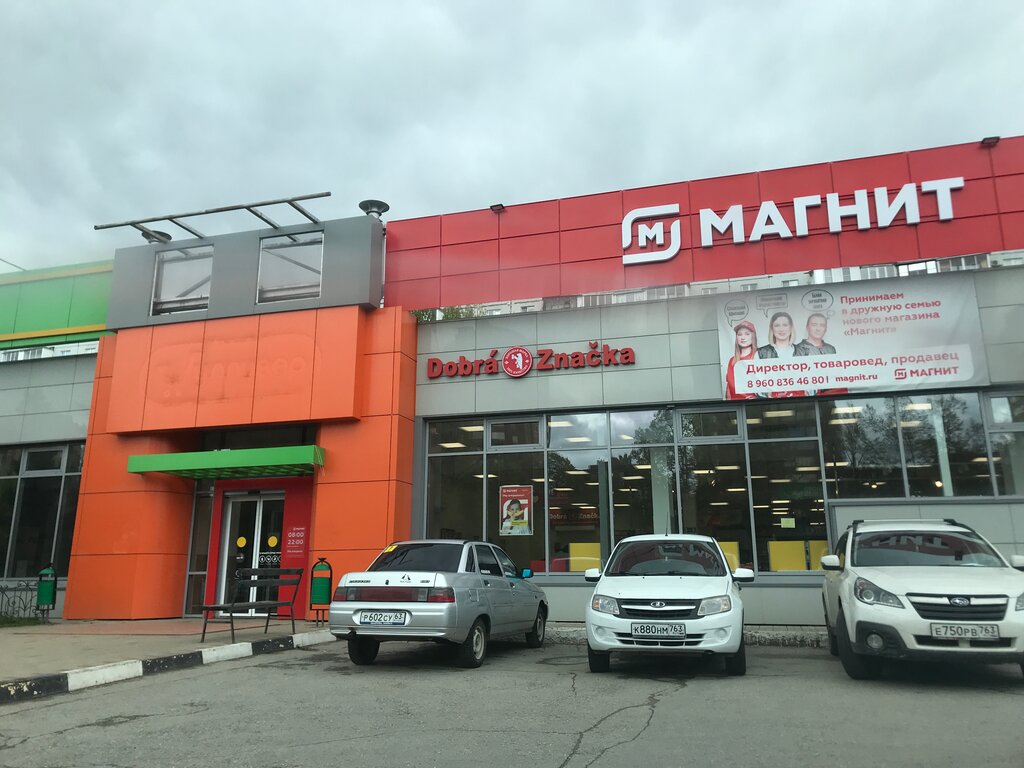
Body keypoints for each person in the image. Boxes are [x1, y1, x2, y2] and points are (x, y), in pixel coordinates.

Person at [725, 320, 758, 400]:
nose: (743, 337)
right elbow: (729, 387)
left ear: (753, 336)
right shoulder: (732, 361)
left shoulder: (758, 357)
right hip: (737, 404)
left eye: (747, 334)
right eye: (739, 334)